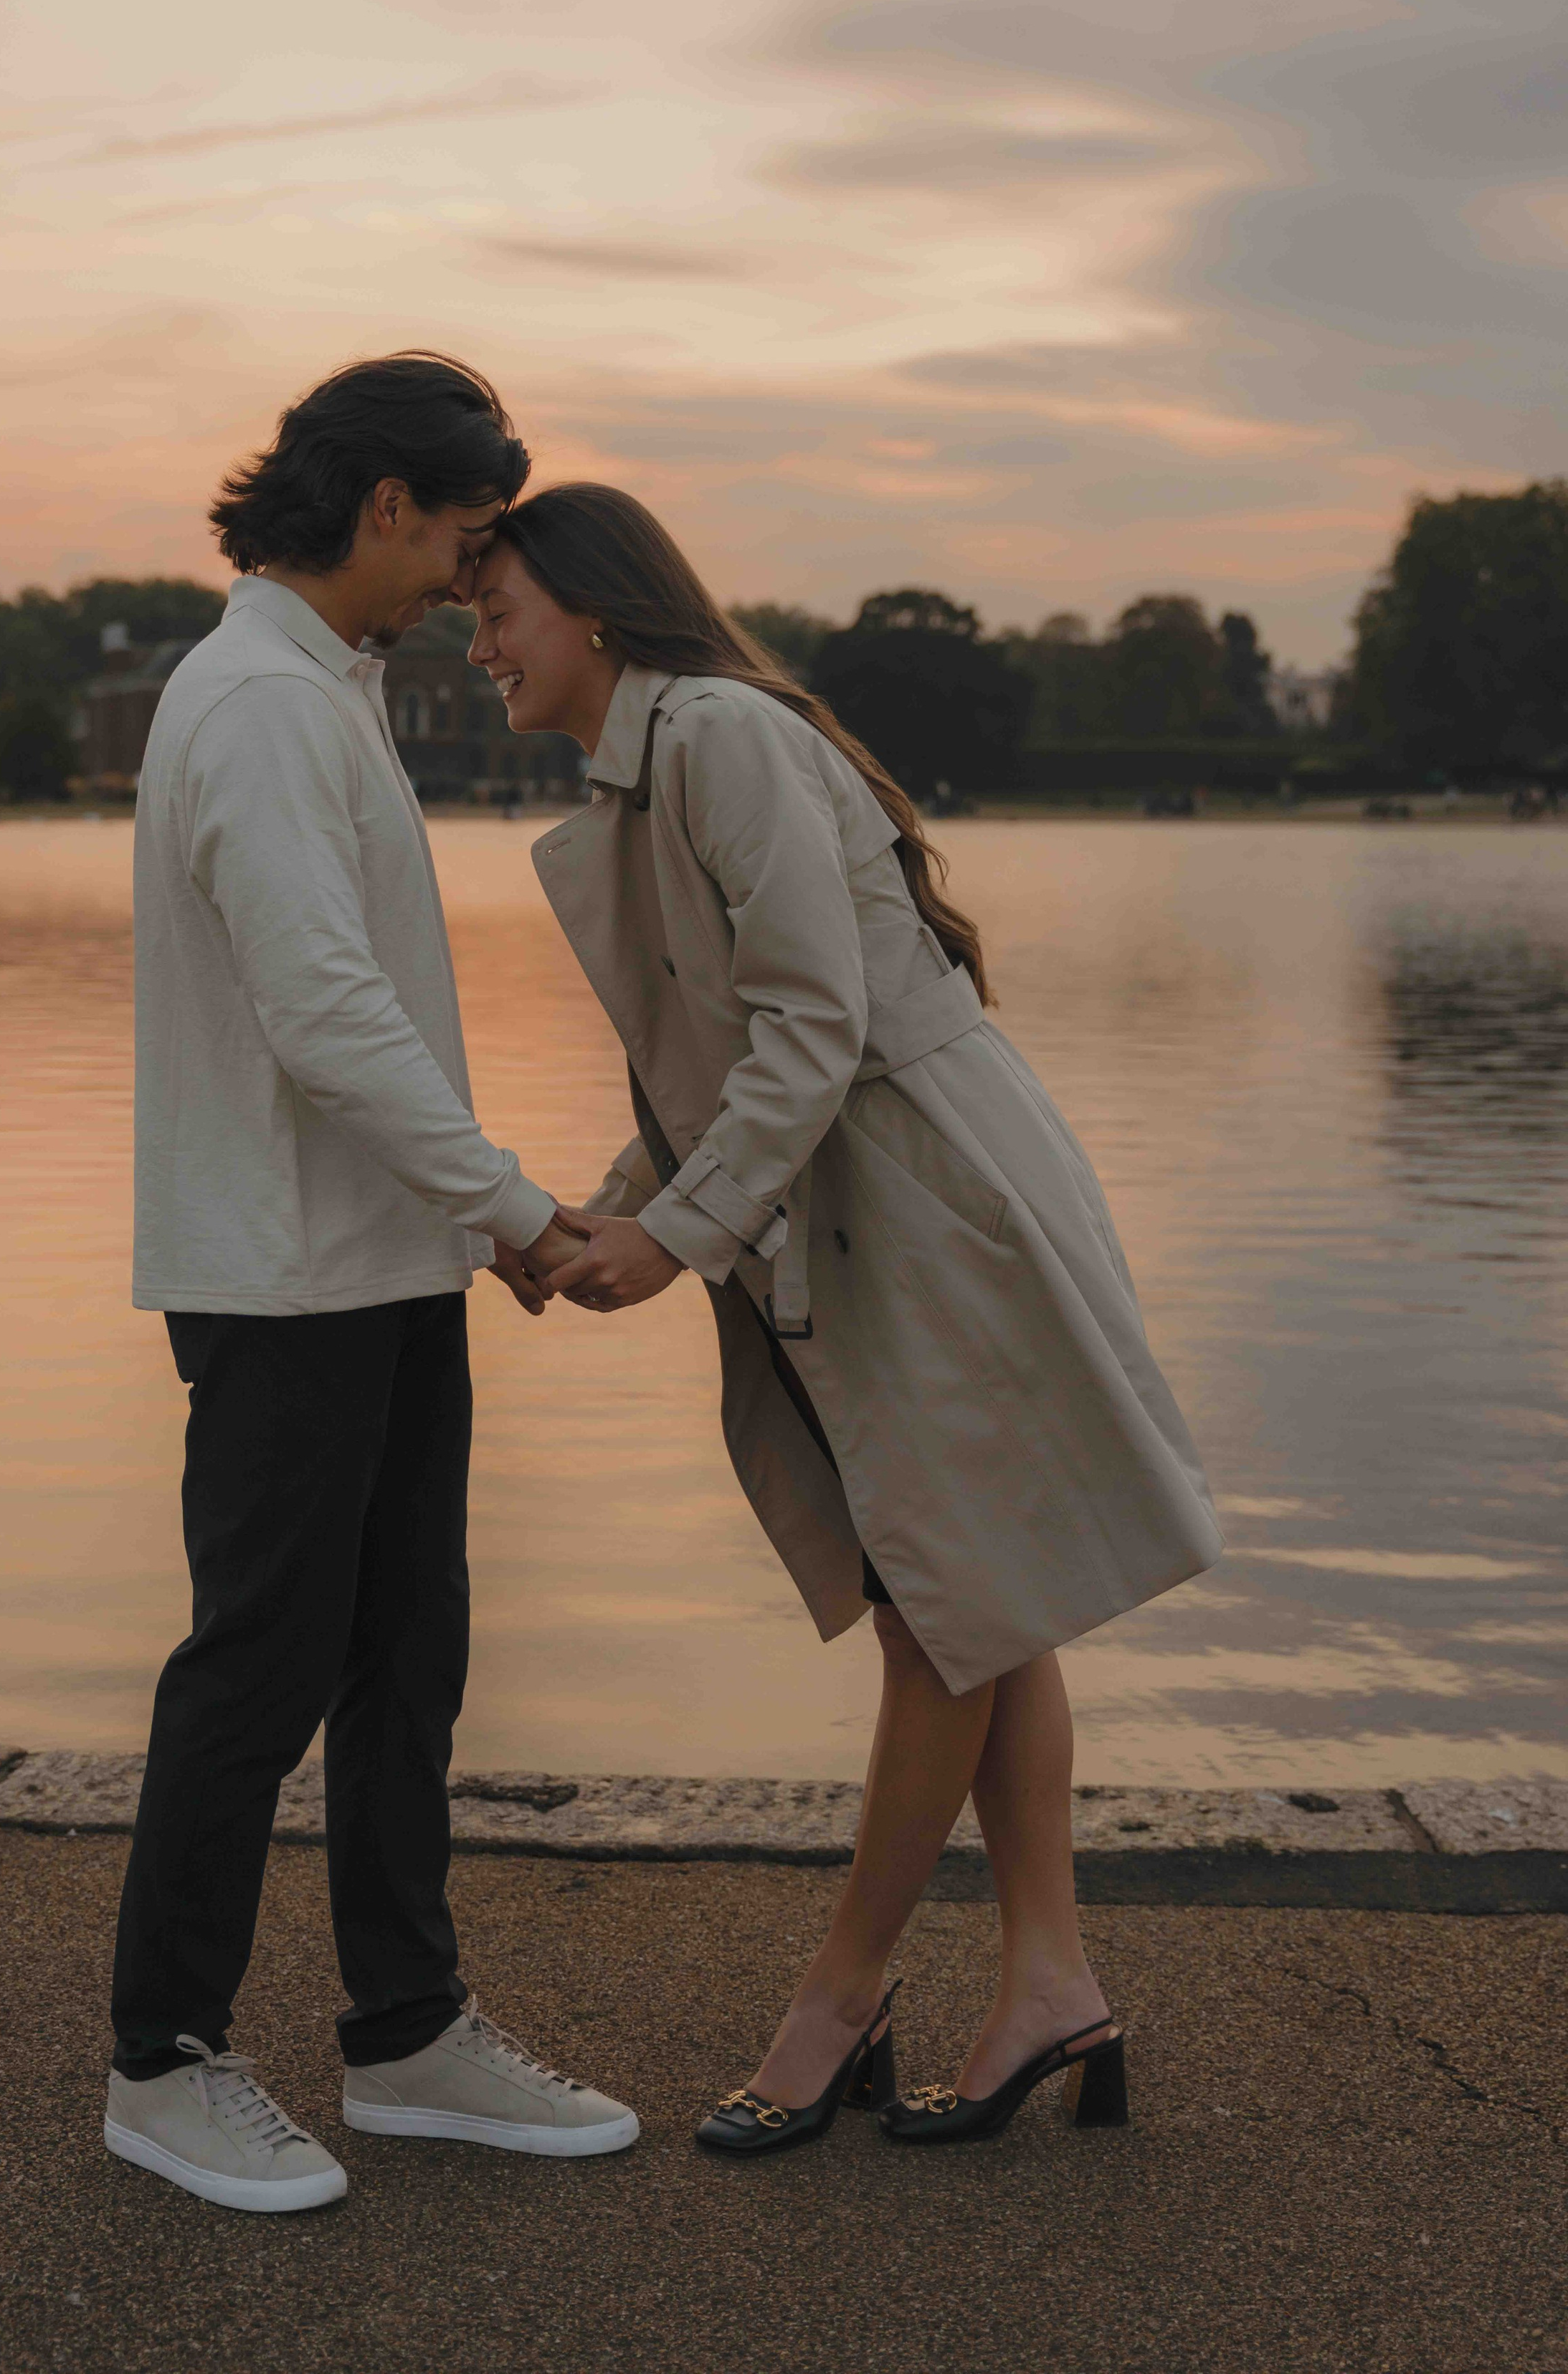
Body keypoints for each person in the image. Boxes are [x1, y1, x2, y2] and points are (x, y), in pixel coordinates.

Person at [465, 483, 1222, 2157]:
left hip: (922, 1197)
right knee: (972, 1592)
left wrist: (672, 1240)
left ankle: (841, 1995)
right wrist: (619, 1212)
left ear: (591, 609)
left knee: (935, 1605)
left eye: (498, 607)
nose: (482, 645)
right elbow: (725, 1055)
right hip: (886, 1183)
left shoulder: (714, 739)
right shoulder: (664, 758)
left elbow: (808, 1027)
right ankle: (1048, 1984)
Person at [105, 360, 640, 2215]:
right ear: (391, 504)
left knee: (409, 1656)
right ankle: (161, 2066)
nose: (466, 584)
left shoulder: (316, 691)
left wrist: (459, 1224)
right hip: (278, 1278)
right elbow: (319, 1009)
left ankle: (407, 2036)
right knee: (257, 1672)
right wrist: (510, 1206)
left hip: (380, 1267)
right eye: (466, 539)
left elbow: (365, 1010)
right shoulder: (251, 701)